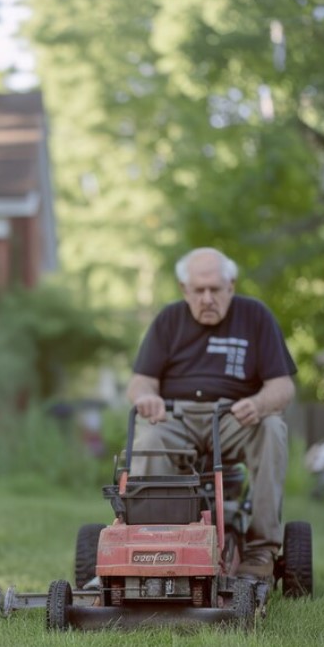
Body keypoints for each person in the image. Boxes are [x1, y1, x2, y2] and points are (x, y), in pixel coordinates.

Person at [126, 247, 296, 579]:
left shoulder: (255, 316)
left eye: (215, 290)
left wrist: (259, 404)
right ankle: (152, 545)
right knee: (149, 435)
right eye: (199, 290)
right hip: (177, 418)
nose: (207, 298)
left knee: (272, 427)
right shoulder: (168, 320)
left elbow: (283, 387)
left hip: (235, 416)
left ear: (231, 285)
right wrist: (148, 398)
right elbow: (139, 383)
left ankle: (261, 549)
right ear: (184, 290)